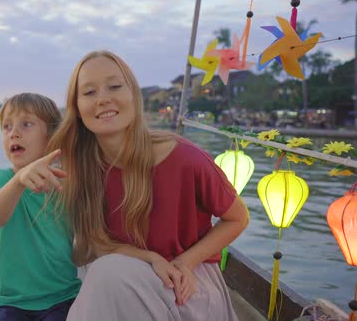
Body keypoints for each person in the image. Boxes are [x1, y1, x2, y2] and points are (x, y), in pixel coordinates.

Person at [44, 51, 250, 320]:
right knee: (105, 272)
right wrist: (151, 258)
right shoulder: (81, 168)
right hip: (124, 276)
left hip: (187, 286)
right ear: (77, 108)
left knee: (108, 275)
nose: (103, 98)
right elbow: (95, 243)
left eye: (115, 86)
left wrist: (185, 262)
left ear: (133, 95)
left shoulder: (185, 158)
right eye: (89, 92)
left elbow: (238, 218)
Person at [0, 93, 81, 321]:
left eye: (26, 124)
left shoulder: (67, 180)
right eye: (6, 127)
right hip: (10, 301)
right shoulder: (1, 178)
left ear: (52, 137)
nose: (13, 132)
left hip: (62, 296)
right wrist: (18, 181)